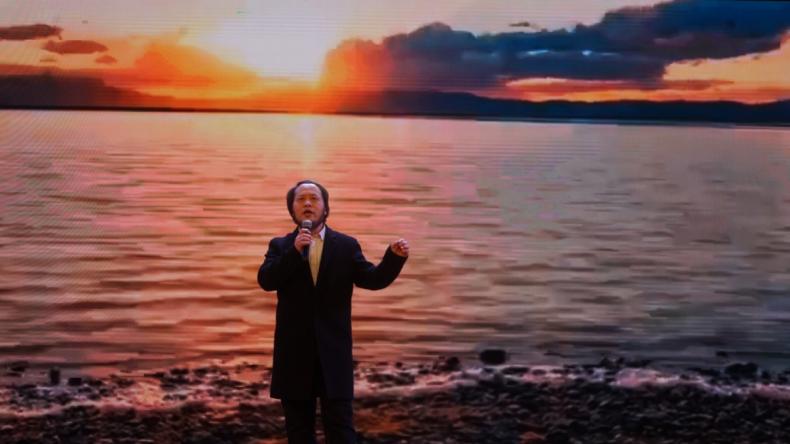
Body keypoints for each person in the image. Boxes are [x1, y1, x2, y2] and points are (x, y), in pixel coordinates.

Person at [257, 180, 409, 444]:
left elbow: (373, 279)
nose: (307, 203)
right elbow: (266, 281)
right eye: (300, 199)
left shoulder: (346, 246)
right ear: (291, 210)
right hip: (294, 355)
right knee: (298, 433)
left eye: (314, 198)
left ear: (326, 208)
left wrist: (393, 258)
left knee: (341, 430)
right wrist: (294, 252)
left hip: (334, 354)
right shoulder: (280, 246)